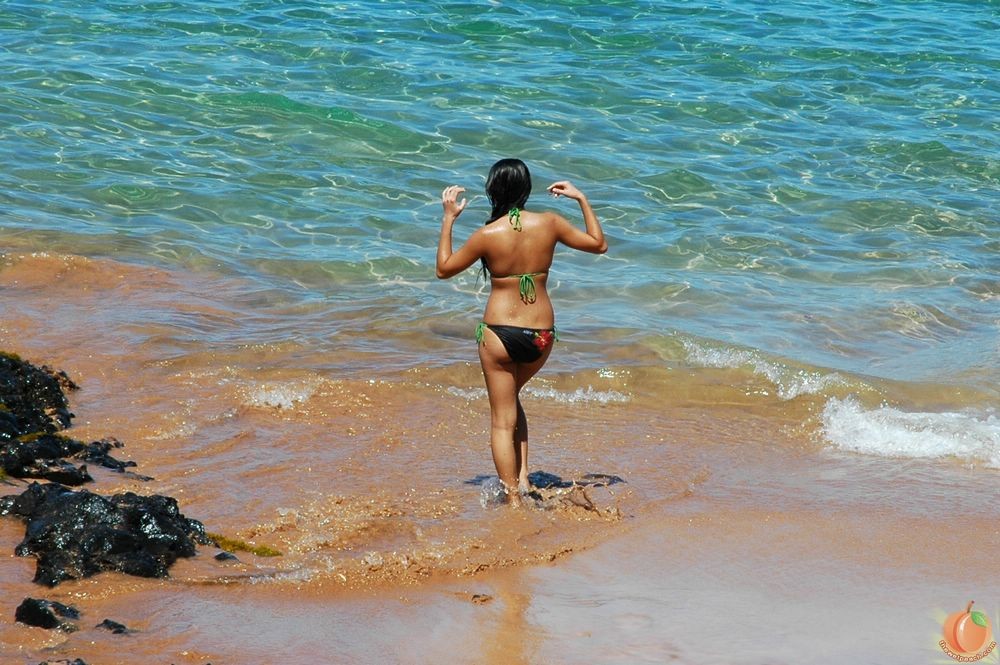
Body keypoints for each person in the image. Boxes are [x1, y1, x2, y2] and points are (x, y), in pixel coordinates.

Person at [436, 158, 608, 506]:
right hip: (541, 336)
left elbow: (444, 270)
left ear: (492, 190)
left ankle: (513, 500)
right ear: (527, 189)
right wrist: (582, 199)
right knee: (512, 400)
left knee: (502, 420)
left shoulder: (488, 234)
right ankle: (524, 477)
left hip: (499, 335)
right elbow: (598, 244)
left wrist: (449, 218)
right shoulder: (550, 223)